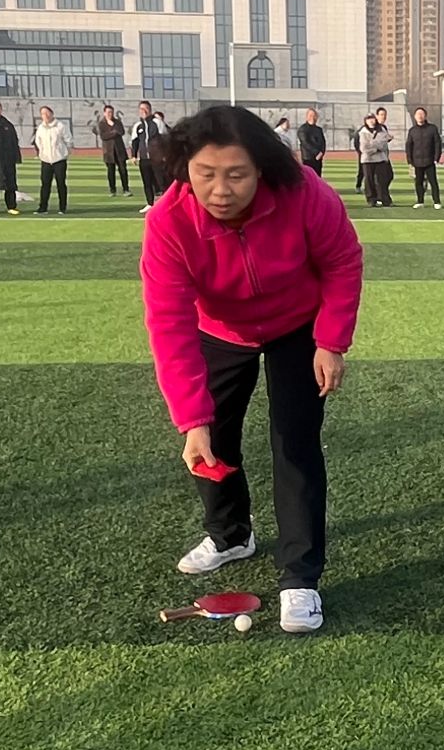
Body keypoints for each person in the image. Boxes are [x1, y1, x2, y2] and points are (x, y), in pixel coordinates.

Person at [142, 104, 365, 634]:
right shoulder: (169, 222)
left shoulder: (305, 193)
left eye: (236, 175)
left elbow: (342, 261)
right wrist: (191, 420)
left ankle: (300, 577)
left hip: (296, 324)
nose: (220, 190)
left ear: (261, 168)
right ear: (185, 169)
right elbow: (169, 324)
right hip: (219, 329)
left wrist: (331, 342)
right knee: (211, 438)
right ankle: (230, 535)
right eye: (206, 174)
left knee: (294, 443)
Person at [33, 104, 73, 213]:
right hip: (46, 160)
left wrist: (64, 153)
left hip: (59, 160)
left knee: (61, 184)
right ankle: (43, 207)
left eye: (47, 113)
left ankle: (62, 207)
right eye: (43, 113)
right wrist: (42, 153)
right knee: (45, 185)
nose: (45, 115)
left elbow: (68, 140)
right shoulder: (41, 128)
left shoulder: (60, 126)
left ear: (52, 113)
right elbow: (38, 142)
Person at [405, 105, 443, 207]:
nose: (420, 116)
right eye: (418, 114)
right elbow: (409, 145)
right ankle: (420, 201)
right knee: (418, 183)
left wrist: (436, 158)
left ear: (425, 116)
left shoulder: (432, 128)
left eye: (422, 114)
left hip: (429, 160)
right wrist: (409, 160)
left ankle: (437, 202)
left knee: (433, 182)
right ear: (415, 116)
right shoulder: (412, 130)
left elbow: (437, 143)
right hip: (416, 161)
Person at [357, 112, 395, 207]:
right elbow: (364, 148)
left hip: (380, 159)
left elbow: (384, 144)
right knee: (369, 180)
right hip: (367, 160)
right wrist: (376, 147)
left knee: (382, 180)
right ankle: (371, 199)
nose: (371, 121)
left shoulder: (381, 129)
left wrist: (372, 145)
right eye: (368, 119)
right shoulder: (363, 132)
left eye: (372, 119)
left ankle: (384, 199)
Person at [96, 104, 132, 195]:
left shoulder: (117, 122)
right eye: (108, 112)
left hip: (119, 150)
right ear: (104, 113)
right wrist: (114, 133)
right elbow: (103, 136)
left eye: (111, 112)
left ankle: (126, 189)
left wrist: (113, 126)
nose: (110, 114)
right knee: (110, 172)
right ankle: (112, 190)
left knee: (123, 170)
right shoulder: (101, 123)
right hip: (108, 151)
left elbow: (121, 132)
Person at [297, 107, 327, 177]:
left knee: (318, 177)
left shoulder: (319, 129)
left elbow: (323, 142)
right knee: (309, 177)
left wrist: (321, 152)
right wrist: (316, 153)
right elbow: (305, 143)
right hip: (308, 158)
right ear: (307, 117)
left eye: (314, 116)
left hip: (318, 159)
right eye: (311, 115)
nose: (313, 118)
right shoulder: (303, 129)